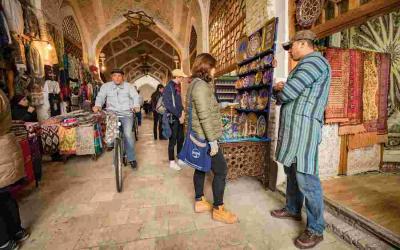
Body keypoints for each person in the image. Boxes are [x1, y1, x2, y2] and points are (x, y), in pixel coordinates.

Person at [271, 30, 331, 249]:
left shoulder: (313, 63)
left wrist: (279, 88)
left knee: (307, 178)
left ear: (303, 43)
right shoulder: (306, 64)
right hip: (296, 130)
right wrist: (280, 88)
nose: (290, 52)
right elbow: (290, 93)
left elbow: (288, 93)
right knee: (292, 172)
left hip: (303, 130)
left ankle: (316, 229)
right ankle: (293, 209)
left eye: (292, 47)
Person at [187, 53, 238, 224]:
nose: (215, 70)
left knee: (201, 167)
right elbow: (204, 116)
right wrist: (212, 141)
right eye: (213, 66)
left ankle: (199, 200)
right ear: (206, 67)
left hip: (200, 135)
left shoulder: (197, 84)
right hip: (205, 136)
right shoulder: (201, 86)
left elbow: (207, 107)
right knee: (221, 171)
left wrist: (220, 105)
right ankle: (218, 209)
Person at [0, 89, 30, 250]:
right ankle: (16, 231)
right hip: (5, 151)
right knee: (5, 195)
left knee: (4, 196)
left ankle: (4, 242)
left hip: (2, 153)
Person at [93, 68, 140, 169]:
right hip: (112, 114)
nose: (117, 78)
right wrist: (98, 106)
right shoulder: (106, 86)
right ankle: (115, 150)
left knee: (127, 135)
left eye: (119, 76)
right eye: (115, 76)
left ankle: (131, 158)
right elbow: (100, 97)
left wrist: (136, 106)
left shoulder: (129, 87)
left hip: (126, 114)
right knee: (112, 136)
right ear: (112, 77)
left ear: (122, 77)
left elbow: (136, 97)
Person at [163, 69, 186, 171]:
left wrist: (183, 113)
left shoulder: (177, 87)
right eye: (181, 77)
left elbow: (178, 103)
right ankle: (172, 162)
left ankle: (180, 158)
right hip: (173, 118)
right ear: (177, 77)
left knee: (181, 138)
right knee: (172, 141)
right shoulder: (168, 88)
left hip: (179, 117)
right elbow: (168, 105)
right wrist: (178, 115)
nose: (182, 79)